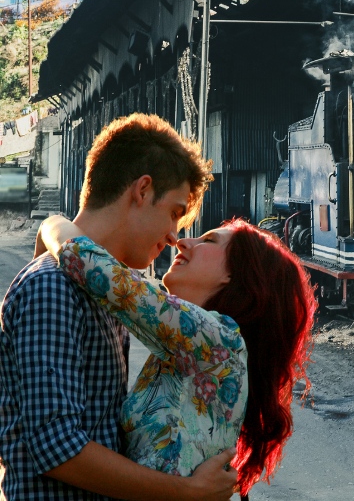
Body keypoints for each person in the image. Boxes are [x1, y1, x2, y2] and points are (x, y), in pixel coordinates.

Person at [0, 114, 233, 500]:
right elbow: (57, 448)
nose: (175, 237)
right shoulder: (52, 288)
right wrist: (185, 491)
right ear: (142, 190)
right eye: (175, 213)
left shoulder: (106, 295)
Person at [37, 214, 315, 499]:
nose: (182, 241)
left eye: (208, 240)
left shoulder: (218, 338)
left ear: (233, 274)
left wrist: (51, 224)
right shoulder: (188, 346)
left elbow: (93, 266)